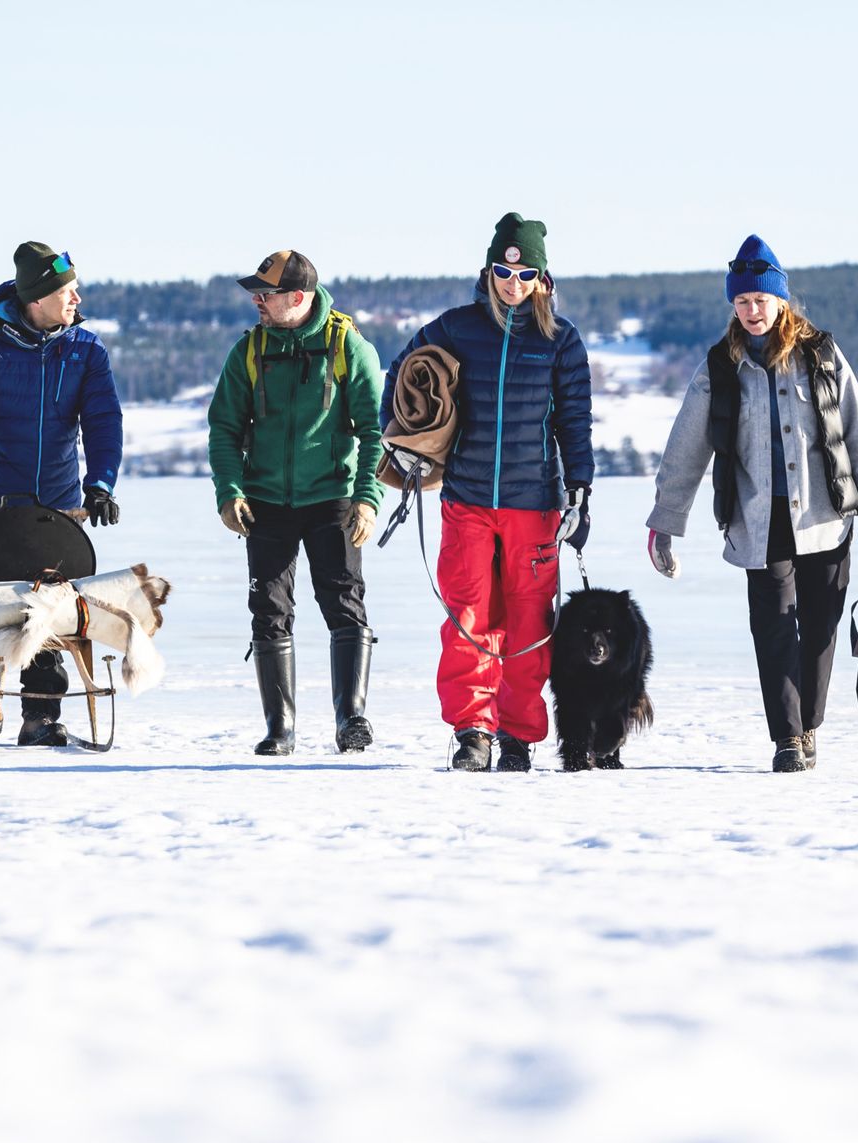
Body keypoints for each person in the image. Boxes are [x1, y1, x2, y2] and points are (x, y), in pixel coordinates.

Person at [645, 235, 858, 772]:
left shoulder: (821, 355)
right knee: (772, 630)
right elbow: (684, 449)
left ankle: (808, 723)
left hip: (826, 519)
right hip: (758, 521)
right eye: (741, 302)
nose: (752, 311)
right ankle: (787, 738)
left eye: (760, 300)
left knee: (820, 627)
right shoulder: (720, 367)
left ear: (781, 301)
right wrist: (665, 522)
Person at [380, 213, 594, 772]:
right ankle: (473, 730)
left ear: (543, 280)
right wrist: (402, 439)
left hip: (535, 505)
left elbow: (575, 420)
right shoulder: (456, 327)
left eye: (526, 276)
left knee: (528, 623)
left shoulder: (560, 340)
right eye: (504, 271)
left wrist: (581, 491)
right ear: (489, 269)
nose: (513, 284)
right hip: (468, 499)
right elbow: (401, 374)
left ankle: (518, 734)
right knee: (468, 617)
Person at [0, 241, 124, 747]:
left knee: (49, 609)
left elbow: (103, 420)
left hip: (58, 505)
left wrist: (100, 484)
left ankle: (40, 718)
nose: (77, 299)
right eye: (67, 291)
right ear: (36, 299)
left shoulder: (85, 349)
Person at [208, 250, 384, 757]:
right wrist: (229, 491)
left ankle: (351, 719)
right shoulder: (248, 351)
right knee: (268, 608)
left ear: (298, 297)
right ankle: (279, 728)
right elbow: (224, 428)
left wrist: (367, 499)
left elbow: (374, 432)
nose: (257, 302)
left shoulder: (347, 347)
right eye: (255, 294)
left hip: (333, 498)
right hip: (265, 502)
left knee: (344, 604)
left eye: (266, 294)